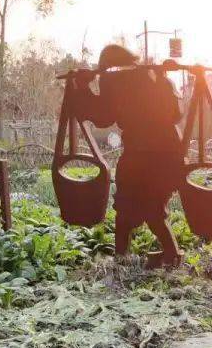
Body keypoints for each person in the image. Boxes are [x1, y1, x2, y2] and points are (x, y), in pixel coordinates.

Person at [73, 44, 186, 267]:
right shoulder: (152, 74)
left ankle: (127, 258)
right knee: (147, 208)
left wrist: (83, 87)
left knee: (132, 208)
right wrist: (163, 78)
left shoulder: (114, 80)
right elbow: (176, 112)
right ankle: (148, 256)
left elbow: (102, 115)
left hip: (148, 155)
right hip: (165, 153)